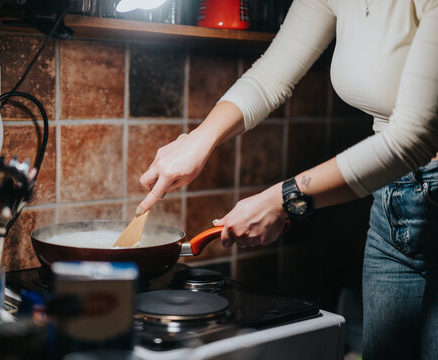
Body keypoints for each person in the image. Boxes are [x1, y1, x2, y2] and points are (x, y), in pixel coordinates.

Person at [136, 1, 438, 359]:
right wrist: (198, 141)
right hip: (391, 201)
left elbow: (414, 138)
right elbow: (270, 77)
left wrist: (284, 199)